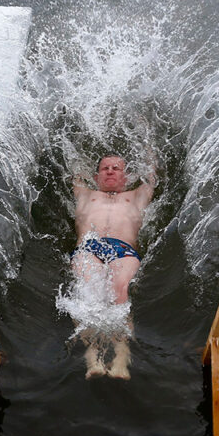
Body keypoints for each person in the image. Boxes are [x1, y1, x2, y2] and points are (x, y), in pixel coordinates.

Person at [70, 153, 155, 379]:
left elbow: (151, 175)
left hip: (123, 249)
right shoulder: (86, 194)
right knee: (90, 292)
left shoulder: (136, 195)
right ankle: (93, 356)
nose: (109, 171)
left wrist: (147, 144)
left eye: (116, 168)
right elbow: (74, 167)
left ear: (126, 177)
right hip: (89, 247)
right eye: (105, 168)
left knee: (120, 289)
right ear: (96, 176)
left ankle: (121, 356)